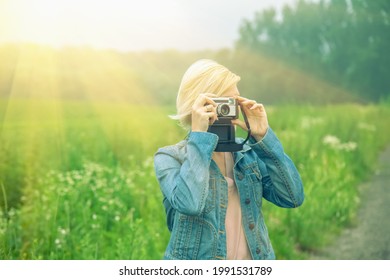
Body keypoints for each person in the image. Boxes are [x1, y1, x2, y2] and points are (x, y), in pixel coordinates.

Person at [154, 59, 304, 260]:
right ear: (198, 105)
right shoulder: (170, 158)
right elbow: (191, 204)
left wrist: (263, 136)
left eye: (234, 102)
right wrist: (200, 136)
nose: (229, 109)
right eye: (223, 102)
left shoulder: (248, 153)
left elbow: (292, 197)